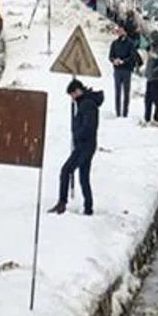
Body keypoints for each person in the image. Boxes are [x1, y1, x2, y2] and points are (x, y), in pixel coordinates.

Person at [49, 79, 103, 216]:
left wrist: (77, 133)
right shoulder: (86, 102)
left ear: (78, 91)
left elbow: (89, 126)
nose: (72, 98)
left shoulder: (87, 104)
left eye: (72, 94)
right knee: (83, 177)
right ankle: (88, 207)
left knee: (66, 170)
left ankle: (62, 203)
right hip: (88, 145)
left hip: (84, 145)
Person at [108, 24, 137, 118]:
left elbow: (132, 57)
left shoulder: (130, 44)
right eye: (118, 31)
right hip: (117, 70)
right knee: (117, 92)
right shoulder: (114, 43)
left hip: (126, 70)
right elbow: (110, 56)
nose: (119, 32)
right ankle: (117, 112)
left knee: (126, 92)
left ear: (125, 31)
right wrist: (114, 60)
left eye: (121, 30)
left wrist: (123, 61)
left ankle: (125, 113)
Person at [143, 29, 158, 125]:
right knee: (147, 99)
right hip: (149, 78)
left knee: (156, 99)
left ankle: (157, 118)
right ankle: (147, 117)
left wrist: (154, 71)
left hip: (156, 78)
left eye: (152, 39)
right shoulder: (151, 48)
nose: (151, 41)